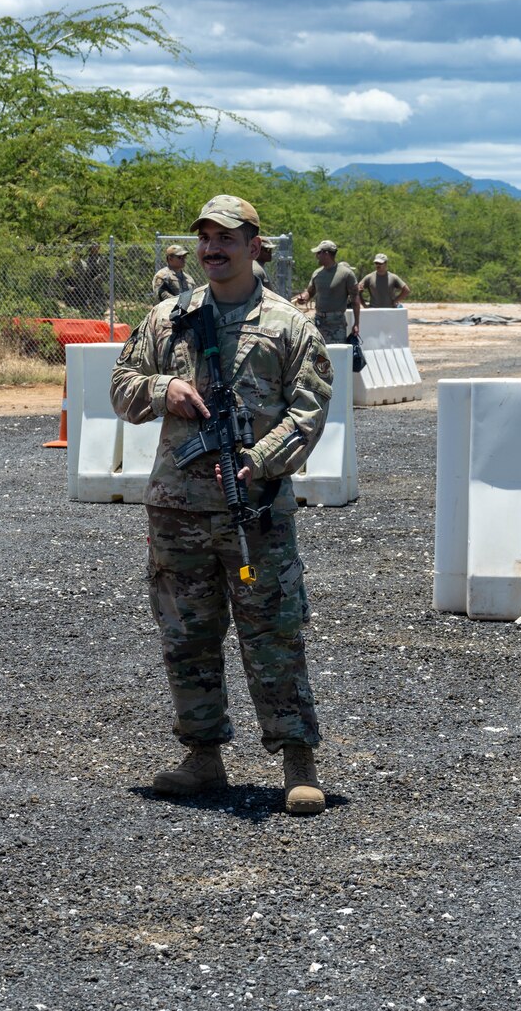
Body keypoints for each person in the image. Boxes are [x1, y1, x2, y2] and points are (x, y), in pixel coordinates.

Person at [110, 194, 333, 815]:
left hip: (253, 511)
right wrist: (163, 387)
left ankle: (297, 760)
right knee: (187, 635)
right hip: (177, 511)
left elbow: (309, 413)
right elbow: (120, 390)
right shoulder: (167, 318)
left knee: (273, 632)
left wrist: (257, 461)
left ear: (254, 245)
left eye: (226, 238)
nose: (213, 249)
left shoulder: (289, 326)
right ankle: (202, 756)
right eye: (205, 238)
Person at [292, 239, 361, 343]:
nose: (316, 256)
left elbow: (355, 300)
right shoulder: (317, 273)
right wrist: (304, 297)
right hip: (319, 322)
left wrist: (356, 323)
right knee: (318, 355)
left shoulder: (346, 274)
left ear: (326, 253)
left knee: (336, 355)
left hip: (336, 324)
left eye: (318, 253)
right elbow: (310, 292)